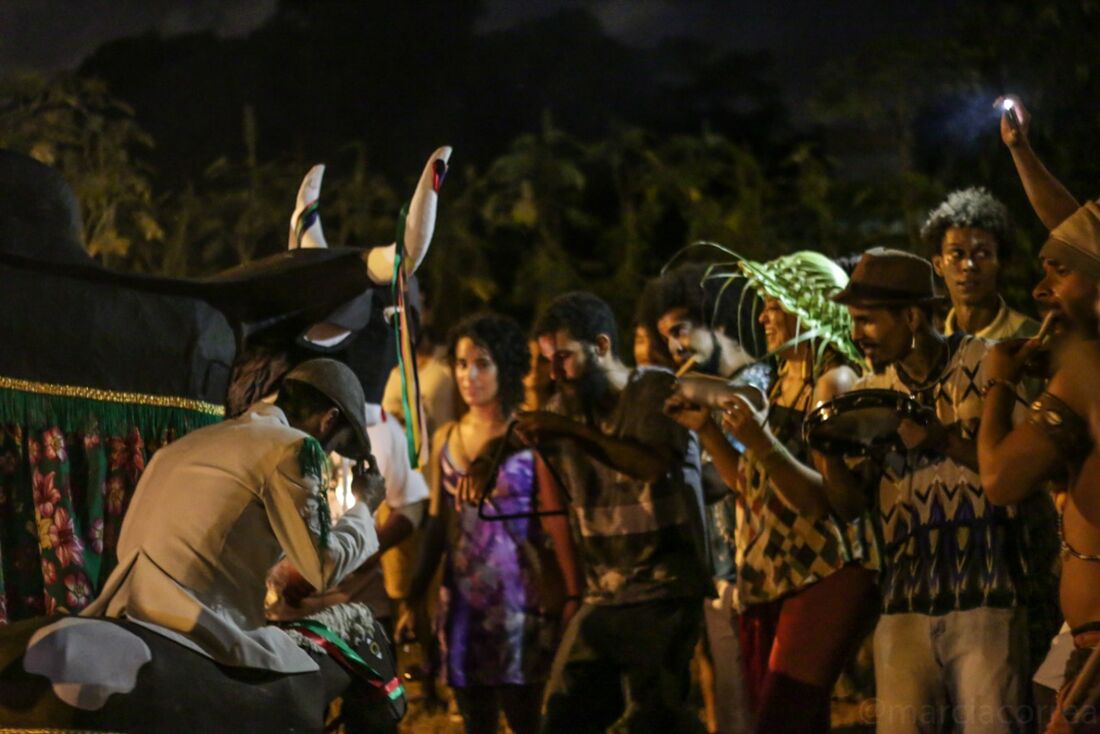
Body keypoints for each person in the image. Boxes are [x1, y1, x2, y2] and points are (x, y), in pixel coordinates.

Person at [0, 359, 391, 731]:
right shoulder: (295, 448)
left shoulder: (197, 441)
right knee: (295, 687)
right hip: (198, 622)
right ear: (329, 419)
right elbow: (321, 567)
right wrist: (365, 508)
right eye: (334, 444)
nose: (327, 454)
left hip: (130, 604)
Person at [816, 248, 1036, 733]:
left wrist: (942, 440)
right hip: (903, 604)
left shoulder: (985, 363)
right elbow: (849, 508)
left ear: (913, 316)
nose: (856, 335)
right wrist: (830, 452)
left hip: (986, 595)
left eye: (867, 321)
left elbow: (1023, 473)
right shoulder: (869, 393)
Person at [660, 253, 877, 734]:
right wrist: (710, 434)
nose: (763, 316)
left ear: (809, 305)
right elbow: (754, 488)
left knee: (785, 715)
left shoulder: (833, 381)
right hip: (776, 571)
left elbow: (822, 504)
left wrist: (760, 439)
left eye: (774, 303)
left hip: (826, 570)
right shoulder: (784, 378)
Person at [523, 291, 712, 734]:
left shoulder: (654, 389)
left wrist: (569, 431)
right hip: (604, 596)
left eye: (564, 357)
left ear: (603, 346)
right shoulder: (565, 408)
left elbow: (650, 464)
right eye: (547, 360)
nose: (555, 372)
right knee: (564, 717)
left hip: (665, 587)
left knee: (656, 717)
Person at [979, 98, 1100, 734]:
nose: (1036, 290)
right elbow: (1081, 238)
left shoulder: (1087, 372)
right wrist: (1022, 152)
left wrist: (999, 384)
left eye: (1055, 274)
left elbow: (1000, 480)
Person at [402, 313, 582, 734]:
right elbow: (437, 523)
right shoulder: (447, 437)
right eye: (462, 365)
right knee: (474, 719)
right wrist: (414, 596)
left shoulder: (529, 433)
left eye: (482, 363)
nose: (469, 376)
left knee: (525, 718)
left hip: (520, 600)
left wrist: (573, 593)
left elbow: (556, 521)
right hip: (464, 602)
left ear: (505, 365)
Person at [923, 187, 1039, 339]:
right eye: (957, 254)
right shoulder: (931, 346)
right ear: (938, 264)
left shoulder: (1032, 340)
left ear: (1002, 262)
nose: (968, 265)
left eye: (982, 254)